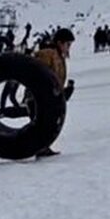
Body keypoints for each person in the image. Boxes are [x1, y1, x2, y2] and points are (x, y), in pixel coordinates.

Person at [33, 27, 75, 158]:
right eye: (67, 44)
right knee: (42, 122)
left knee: (48, 122)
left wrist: (62, 92)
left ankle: (43, 146)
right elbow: (40, 74)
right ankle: (40, 147)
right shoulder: (47, 54)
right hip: (40, 96)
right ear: (60, 43)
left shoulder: (58, 56)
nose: (68, 48)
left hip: (50, 96)